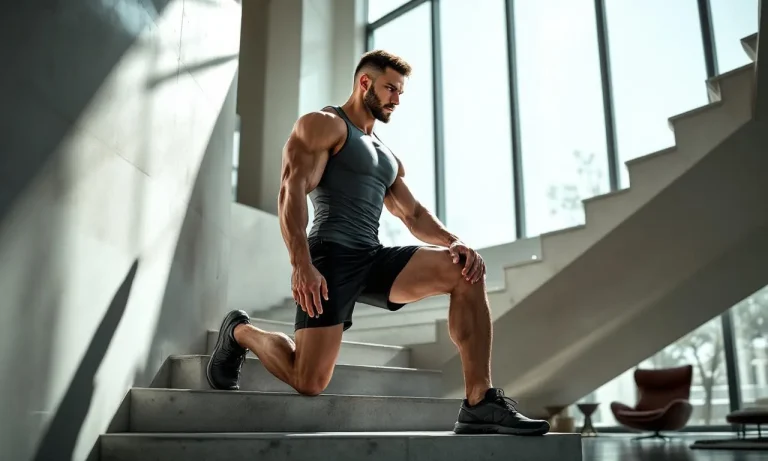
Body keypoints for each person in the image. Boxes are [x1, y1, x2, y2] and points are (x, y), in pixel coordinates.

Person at [207, 49, 550, 436]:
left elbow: (413, 215)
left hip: (371, 257)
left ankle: (478, 402)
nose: (396, 100)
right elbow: (292, 192)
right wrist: (301, 263)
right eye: (390, 88)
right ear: (364, 83)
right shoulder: (323, 125)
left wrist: (456, 241)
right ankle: (240, 331)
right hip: (330, 257)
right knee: (309, 381)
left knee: (465, 271)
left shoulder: (387, 156)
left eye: (401, 92)